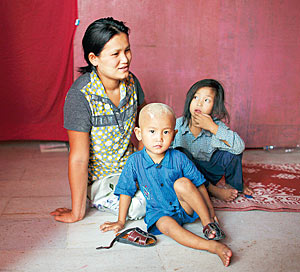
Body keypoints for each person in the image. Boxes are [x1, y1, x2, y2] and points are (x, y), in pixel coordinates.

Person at [100, 103, 232, 267]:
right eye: (152, 131)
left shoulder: (179, 157)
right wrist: (120, 221)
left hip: (185, 206)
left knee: (183, 183)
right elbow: (126, 191)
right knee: (165, 226)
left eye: (166, 132)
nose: (159, 138)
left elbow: (199, 185)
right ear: (139, 134)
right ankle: (212, 246)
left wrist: (210, 214)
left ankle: (208, 226)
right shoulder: (134, 162)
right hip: (159, 212)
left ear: (174, 134)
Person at [50, 17, 146, 223]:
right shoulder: (80, 96)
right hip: (102, 179)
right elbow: (78, 158)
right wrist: (77, 212)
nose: (125, 59)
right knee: (137, 209)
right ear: (94, 58)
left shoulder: (132, 82)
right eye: (115, 54)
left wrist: (143, 168)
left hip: (130, 168)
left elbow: (145, 127)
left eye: (127, 50)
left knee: (179, 177)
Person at [172, 79, 253, 201]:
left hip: (209, 172)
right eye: (195, 98)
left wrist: (212, 128)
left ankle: (234, 185)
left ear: (214, 106)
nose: (199, 103)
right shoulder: (178, 124)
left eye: (206, 100)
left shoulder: (215, 125)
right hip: (187, 174)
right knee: (179, 153)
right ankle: (213, 190)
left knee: (233, 153)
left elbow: (239, 147)